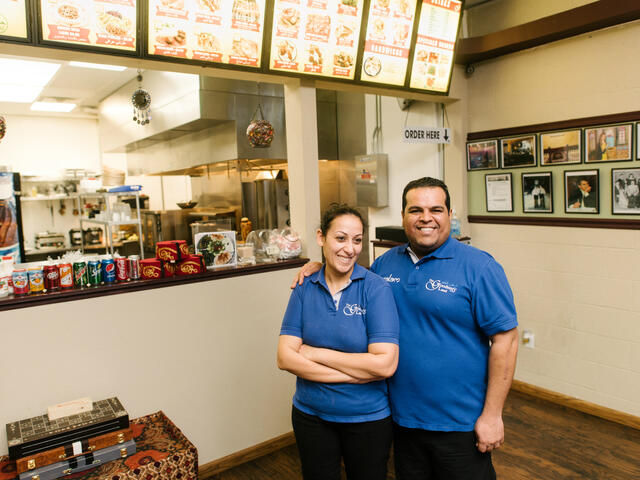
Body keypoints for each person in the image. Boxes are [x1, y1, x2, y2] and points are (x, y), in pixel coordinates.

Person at [293, 177, 519, 480]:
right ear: (403, 217)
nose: (426, 218)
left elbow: (507, 340)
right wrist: (320, 267)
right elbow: (349, 280)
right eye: (416, 210)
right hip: (400, 420)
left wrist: (492, 415)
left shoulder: (479, 267)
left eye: (436, 209)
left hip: (458, 423)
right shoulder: (385, 265)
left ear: (450, 215)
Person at [277, 203, 400, 480]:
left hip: (367, 419)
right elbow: (285, 357)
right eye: (341, 238)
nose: (350, 248)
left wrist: (313, 353)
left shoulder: (376, 288)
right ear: (322, 237)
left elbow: (385, 365)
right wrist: (355, 374)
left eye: (357, 240)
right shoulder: (304, 286)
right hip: (311, 417)